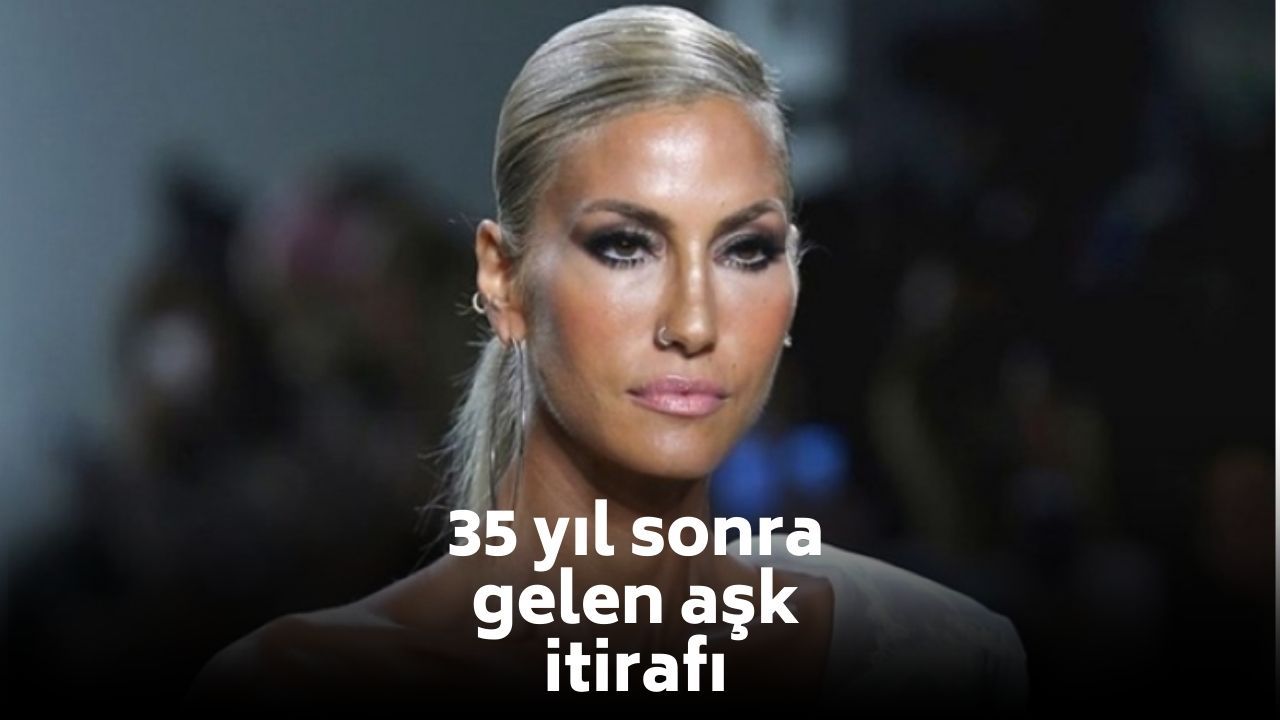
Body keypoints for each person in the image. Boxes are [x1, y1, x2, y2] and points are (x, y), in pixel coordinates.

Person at [187, 5, 1028, 710]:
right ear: (503, 278)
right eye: (625, 246)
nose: (694, 320)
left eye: (745, 251)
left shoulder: (940, 653)